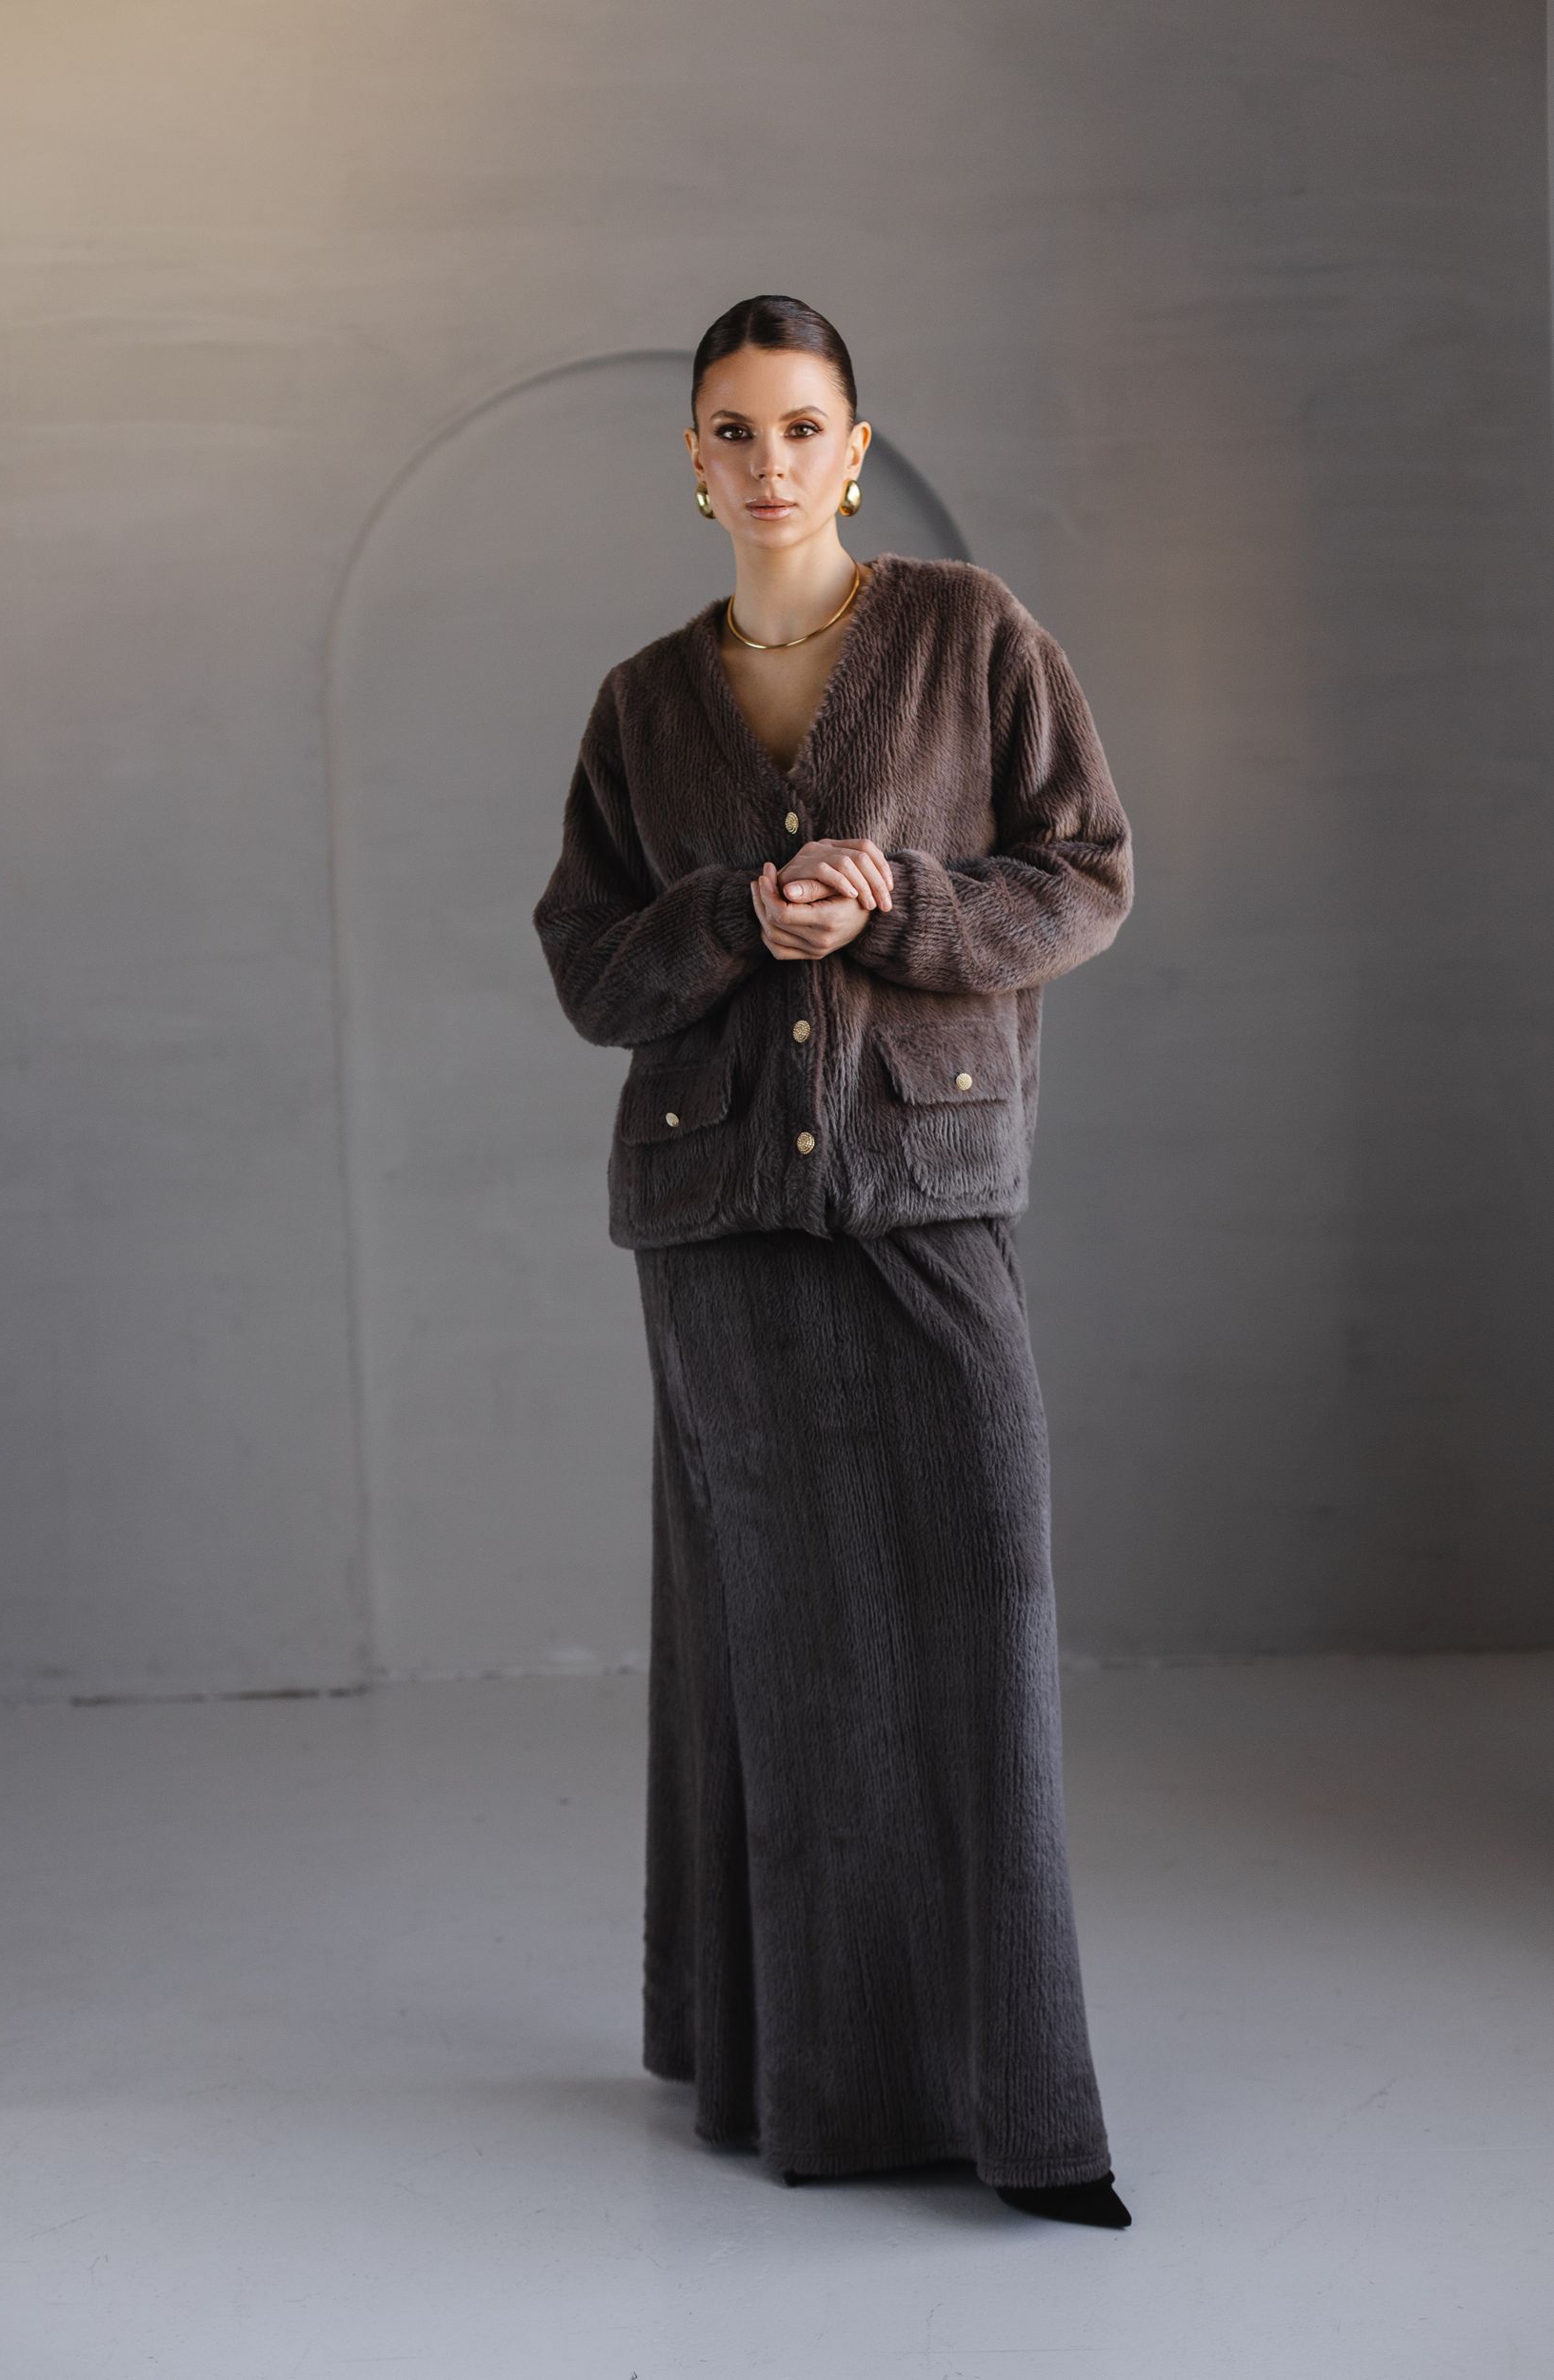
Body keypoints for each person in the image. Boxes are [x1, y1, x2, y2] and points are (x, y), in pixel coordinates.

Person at [532, 294, 1134, 2230]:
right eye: (735, 429)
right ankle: (798, 2077)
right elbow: (589, 965)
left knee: (980, 1618)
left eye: (803, 427)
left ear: (855, 451)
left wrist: (900, 904)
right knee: (773, 1652)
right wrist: (734, 913)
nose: (770, 461)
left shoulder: (969, 632)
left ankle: (1011, 2096)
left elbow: (1086, 874)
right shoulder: (642, 702)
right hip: (715, 1220)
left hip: (926, 1188)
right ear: (693, 461)